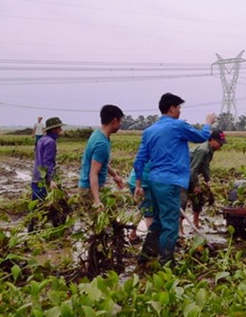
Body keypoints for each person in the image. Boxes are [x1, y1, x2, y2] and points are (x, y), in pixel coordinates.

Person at [133, 93, 216, 264]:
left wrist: (139, 184)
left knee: (157, 221)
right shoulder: (177, 126)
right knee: (170, 223)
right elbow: (201, 137)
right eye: (179, 108)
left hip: (154, 181)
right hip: (170, 182)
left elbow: (140, 160)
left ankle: (146, 257)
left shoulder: (149, 131)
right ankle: (167, 262)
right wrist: (208, 124)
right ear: (172, 109)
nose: (179, 111)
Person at [78, 105, 125, 211]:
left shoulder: (98, 134)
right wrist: (97, 201)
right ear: (114, 121)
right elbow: (93, 173)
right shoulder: (101, 144)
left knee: (112, 219)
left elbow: (101, 162)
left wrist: (114, 175)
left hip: (94, 187)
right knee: (98, 224)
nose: (121, 124)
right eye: (120, 121)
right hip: (89, 189)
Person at [183, 130, 227, 230]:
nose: (221, 146)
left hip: (191, 175)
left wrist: (208, 180)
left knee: (198, 198)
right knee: (183, 200)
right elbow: (193, 168)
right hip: (183, 175)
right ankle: (180, 228)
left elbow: (205, 167)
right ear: (212, 140)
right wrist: (196, 185)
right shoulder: (203, 150)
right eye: (220, 143)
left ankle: (195, 223)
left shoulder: (210, 151)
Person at [31, 116, 65, 201]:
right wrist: (51, 180)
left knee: (37, 205)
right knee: (44, 204)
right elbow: (48, 161)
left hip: (36, 176)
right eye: (59, 127)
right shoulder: (50, 142)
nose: (61, 129)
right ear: (54, 129)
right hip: (43, 179)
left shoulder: (42, 140)